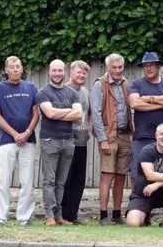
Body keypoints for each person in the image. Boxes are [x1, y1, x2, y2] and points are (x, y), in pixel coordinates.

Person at [0, 56, 39, 226]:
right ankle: (1, 217)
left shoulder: (31, 87)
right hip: (7, 141)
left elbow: (36, 113)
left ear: (22, 68)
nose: (16, 69)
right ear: (6, 70)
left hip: (28, 140)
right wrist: (14, 134)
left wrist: (27, 132)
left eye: (18, 66)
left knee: (27, 181)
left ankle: (24, 218)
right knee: (3, 179)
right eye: (12, 67)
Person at [37, 59, 82, 226]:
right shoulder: (43, 92)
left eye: (60, 70)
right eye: (54, 70)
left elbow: (79, 115)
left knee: (61, 182)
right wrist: (69, 111)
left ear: (65, 72)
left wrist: (59, 113)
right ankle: (49, 216)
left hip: (68, 141)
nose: (57, 74)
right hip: (50, 140)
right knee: (49, 180)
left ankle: (59, 216)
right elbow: (49, 114)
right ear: (49, 72)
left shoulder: (72, 93)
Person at [91, 53, 134, 225]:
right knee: (107, 175)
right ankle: (103, 215)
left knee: (121, 176)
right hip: (108, 136)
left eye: (120, 67)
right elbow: (95, 114)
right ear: (107, 67)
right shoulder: (99, 84)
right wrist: (102, 139)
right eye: (114, 67)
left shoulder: (125, 83)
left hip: (124, 134)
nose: (117, 71)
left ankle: (116, 214)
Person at [129, 52, 163, 188]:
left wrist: (148, 99)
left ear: (158, 67)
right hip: (142, 137)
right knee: (136, 173)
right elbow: (134, 104)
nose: (148, 68)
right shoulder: (136, 84)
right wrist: (162, 104)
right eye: (145, 66)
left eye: (151, 65)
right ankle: (137, 202)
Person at [126, 123, 163, 227]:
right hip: (143, 195)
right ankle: (145, 216)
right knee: (133, 223)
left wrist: (157, 184)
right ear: (156, 135)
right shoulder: (147, 150)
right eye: (162, 134)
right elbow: (150, 175)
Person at [61, 60, 91, 225]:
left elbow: (91, 113)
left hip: (81, 142)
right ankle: (63, 215)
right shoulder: (63, 90)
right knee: (65, 179)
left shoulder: (85, 91)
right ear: (70, 73)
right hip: (66, 141)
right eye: (78, 72)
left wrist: (90, 129)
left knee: (78, 180)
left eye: (84, 73)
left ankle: (73, 215)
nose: (81, 75)